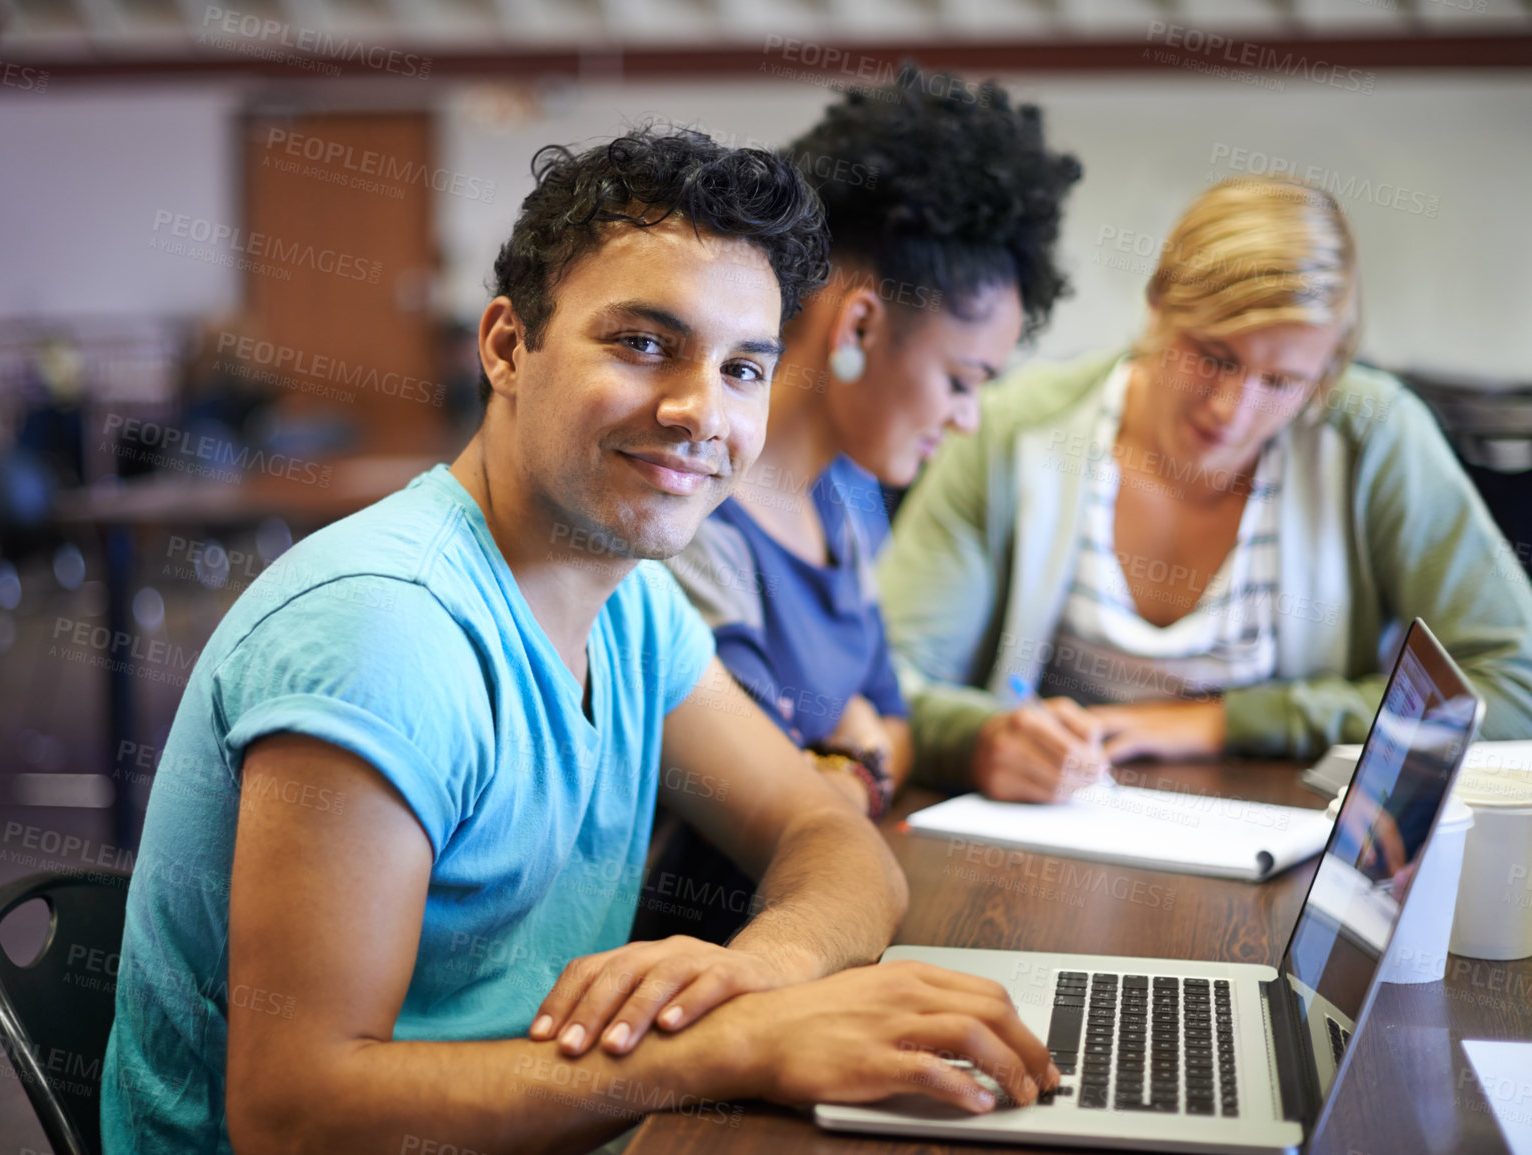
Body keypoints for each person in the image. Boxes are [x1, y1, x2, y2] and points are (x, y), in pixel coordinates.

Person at [100, 126, 1059, 1155]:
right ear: (510, 346)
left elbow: (830, 840)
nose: (702, 411)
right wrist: (728, 1044)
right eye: (644, 344)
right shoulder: (384, 634)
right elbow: (298, 1114)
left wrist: (764, 970)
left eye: (743, 368)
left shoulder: (629, 600)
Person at [878, 175, 1532, 802]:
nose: (1230, 409)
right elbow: (888, 675)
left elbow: (1512, 688)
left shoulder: (1373, 435)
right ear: (1155, 307)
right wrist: (980, 738)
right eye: (1213, 356)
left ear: (1326, 372)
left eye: (1280, 383)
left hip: (1284, 853)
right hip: (1048, 829)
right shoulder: (1012, 429)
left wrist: (1226, 721)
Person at [638, 68, 1081, 945]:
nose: (966, 418)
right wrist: (853, 753)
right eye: (962, 380)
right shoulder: (686, 515)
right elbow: (763, 799)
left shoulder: (840, 505)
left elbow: (892, 721)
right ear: (860, 327)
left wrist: (849, 755)